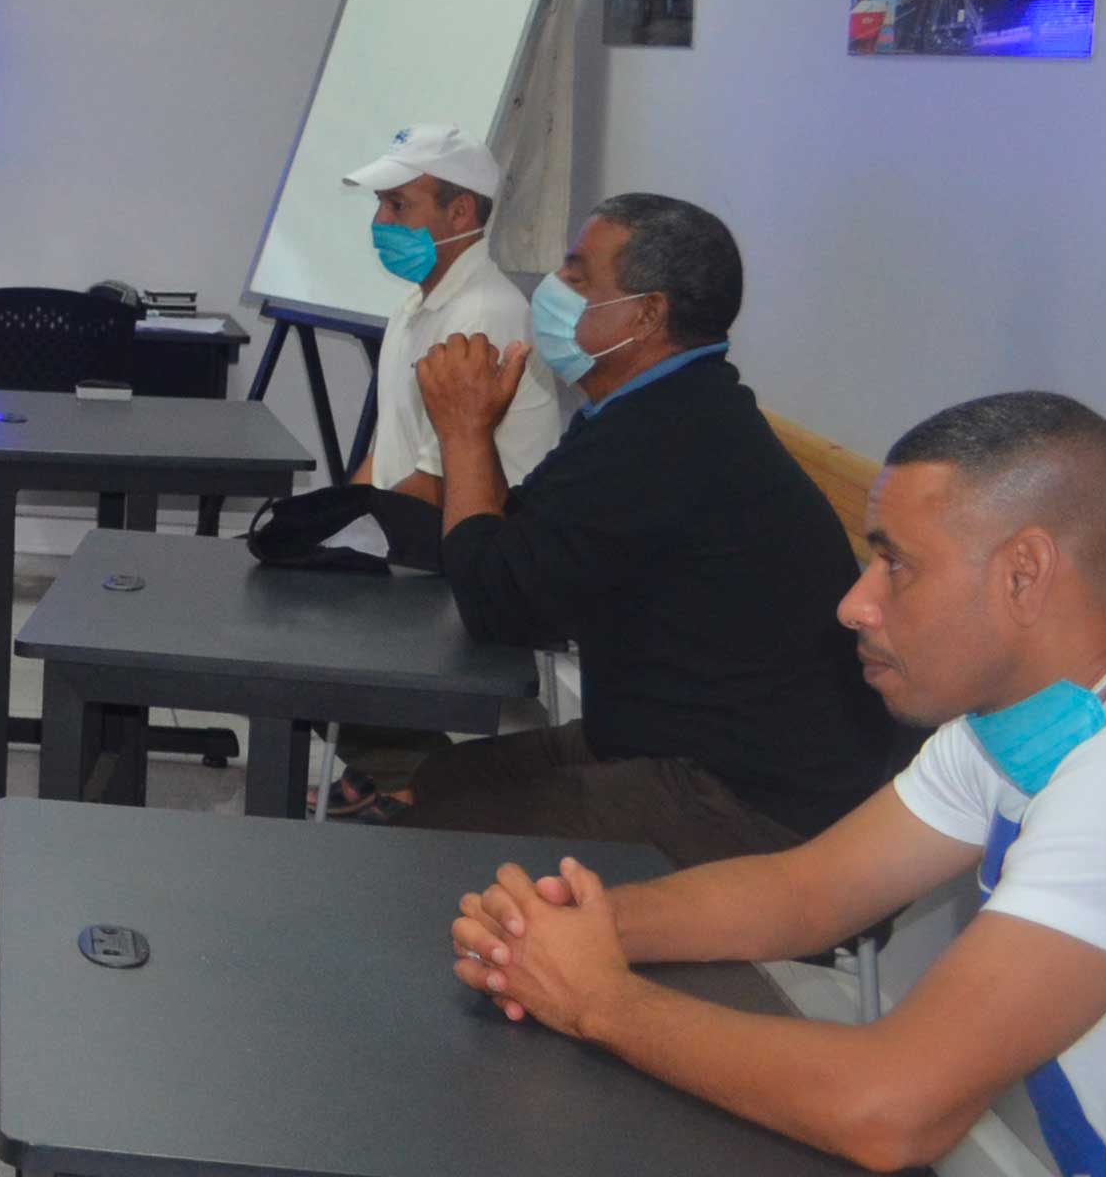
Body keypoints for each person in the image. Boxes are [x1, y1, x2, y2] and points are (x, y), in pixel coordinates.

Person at [448, 390, 1106, 1177]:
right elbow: (802, 891)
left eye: (896, 567)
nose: (856, 602)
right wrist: (580, 922)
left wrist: (602, 1001)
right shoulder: (1017, 734)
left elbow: (891, 1110)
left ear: (1024, 572)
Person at [350, 193, 901, 860]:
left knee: (424, 846)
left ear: (646, 314)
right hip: (667, 738)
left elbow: (497, 606)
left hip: (754, 800)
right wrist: (476, 436)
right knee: (444, 778)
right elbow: (518, 544)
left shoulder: (670, 438)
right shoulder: (658, 409)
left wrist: (465, 433)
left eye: (579, 278)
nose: (556, 292)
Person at [344, 123, 560, 502]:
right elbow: (386, 459)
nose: (380, 221)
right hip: (416, 532)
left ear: (460, 212)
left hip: (460, 547)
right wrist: (331, 527)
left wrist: (353, 538)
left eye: (398, 204)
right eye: (380, 202)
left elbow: (435, 487)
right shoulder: (412, 307)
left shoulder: (483, 316)